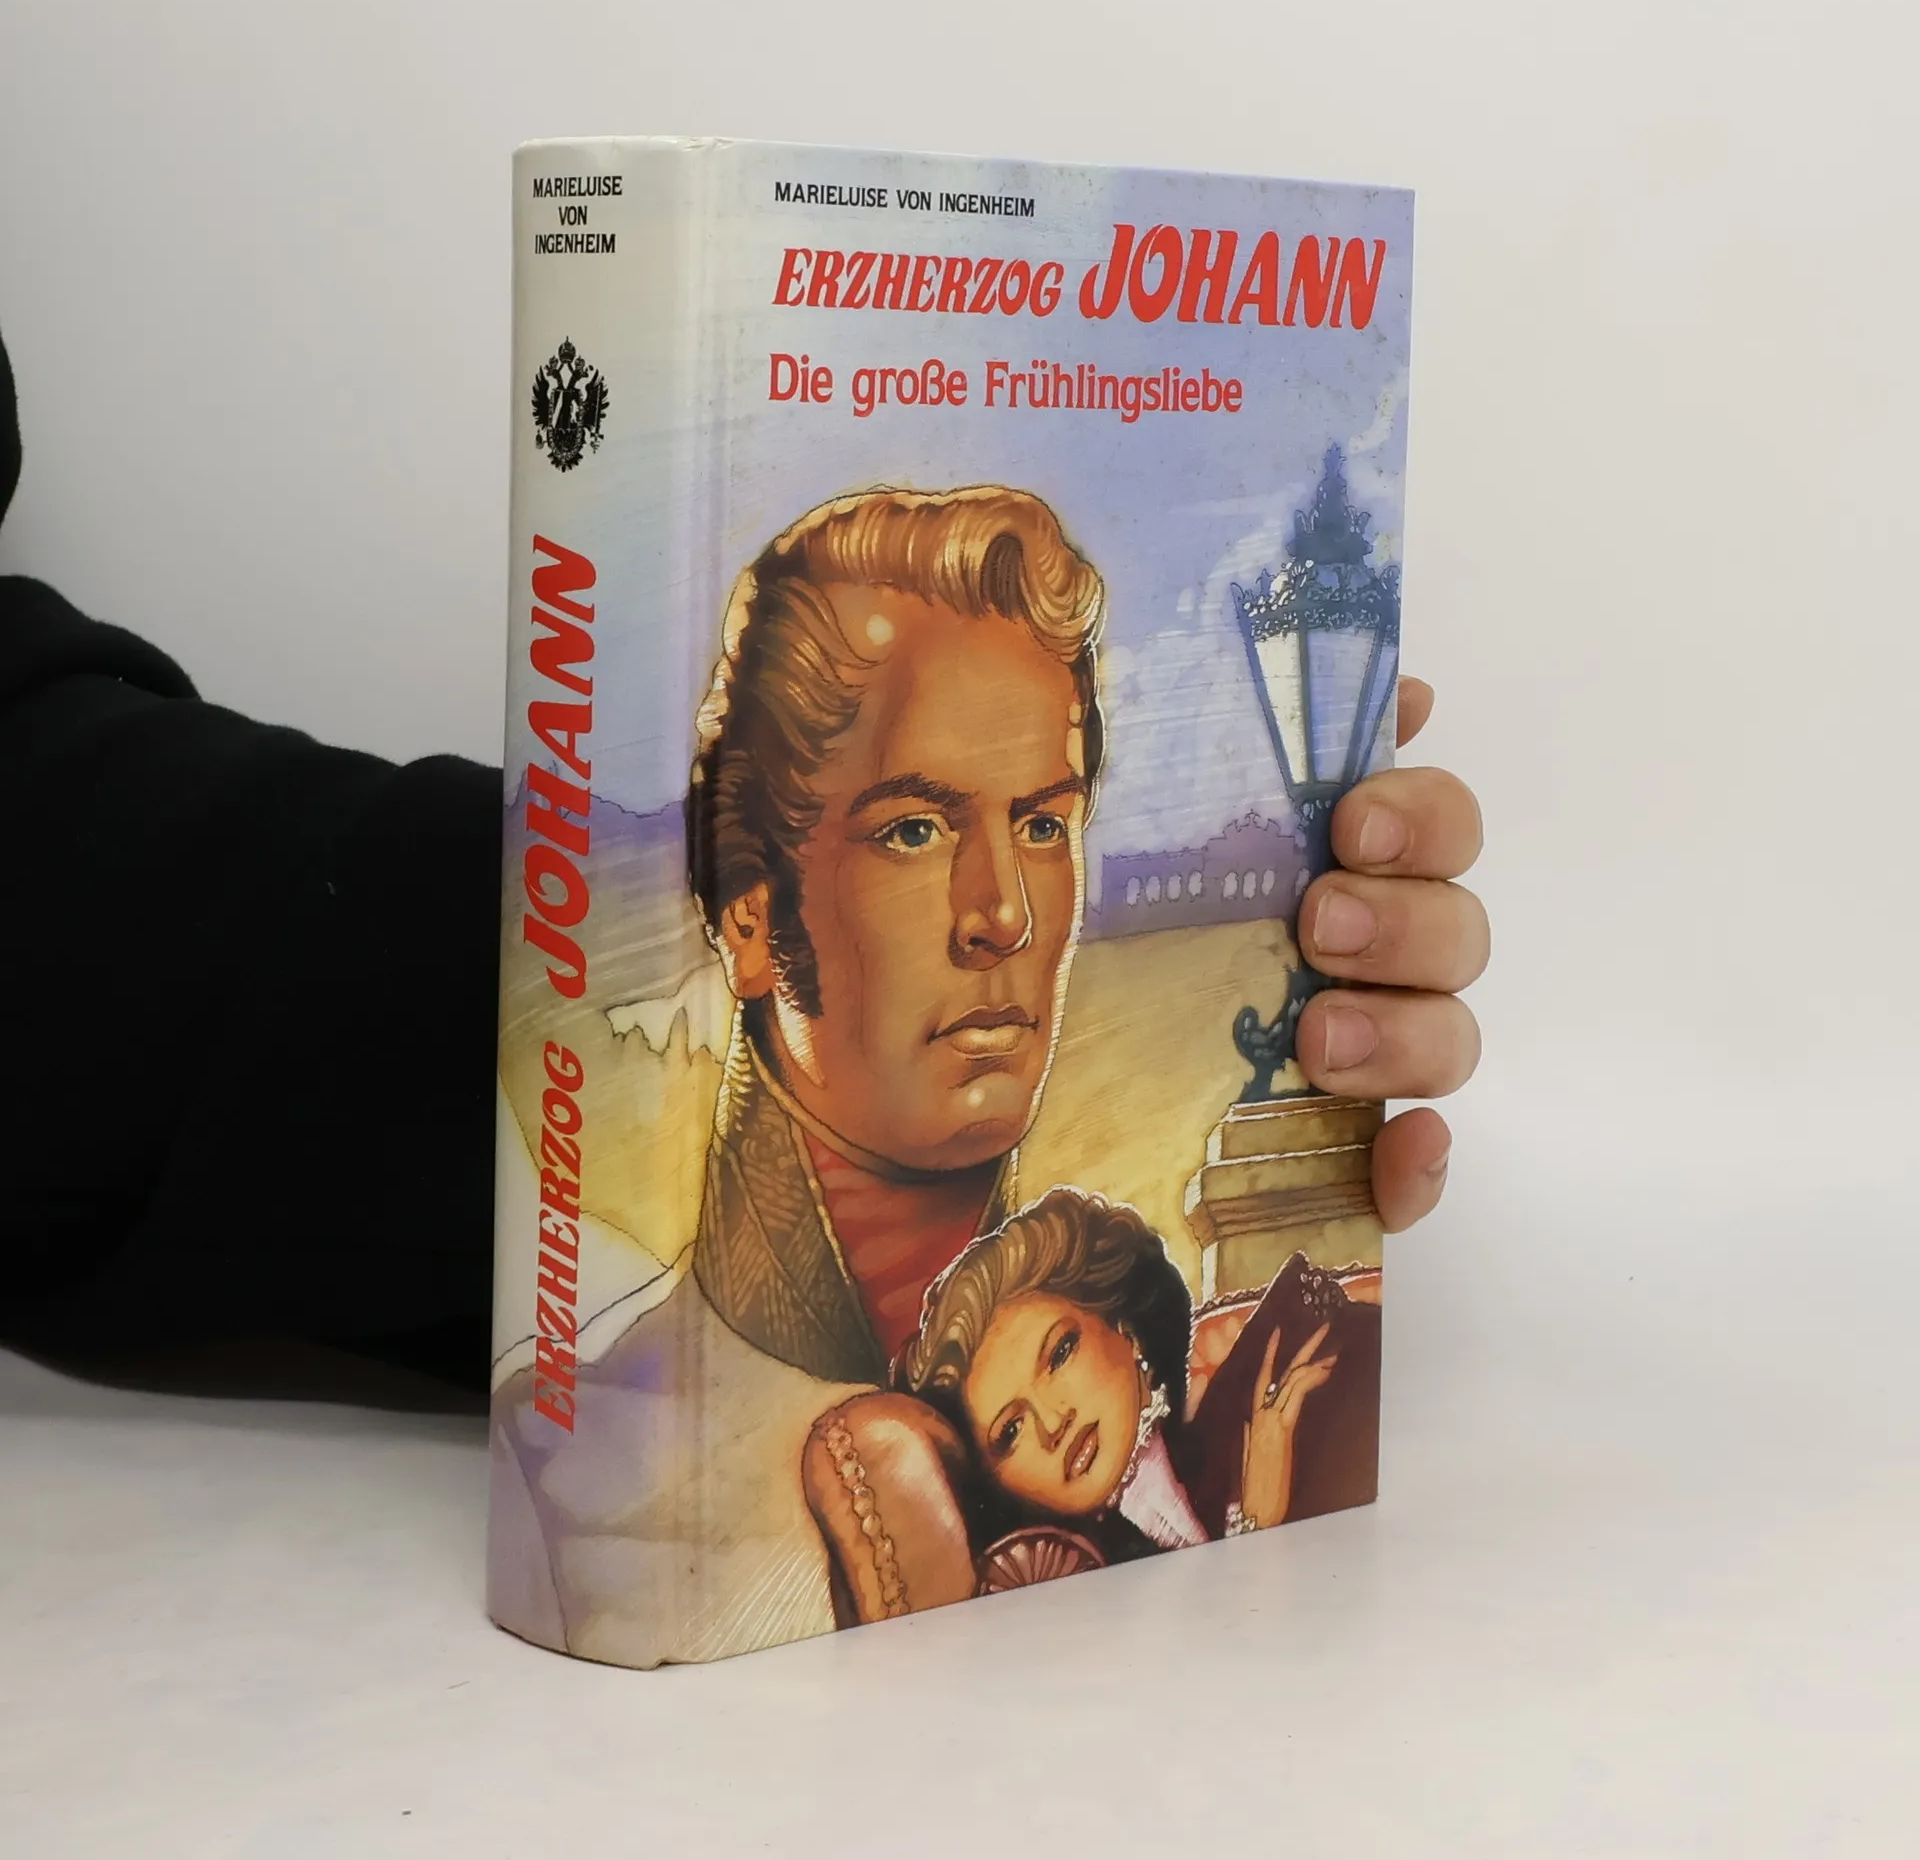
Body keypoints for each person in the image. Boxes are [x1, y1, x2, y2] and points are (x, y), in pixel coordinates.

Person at [0, 325, 1488, 1656]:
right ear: (756, 920)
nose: (1005, 914)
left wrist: (1303, 940)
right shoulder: (616, 1488)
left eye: (1043, 821)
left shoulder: (1156, 1323)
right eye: (915, 831)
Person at [803, 1187, 1379, 1624]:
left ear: (1123, 1328)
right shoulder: (1062, 1586)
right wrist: (1258, 1524)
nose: (1054, 1425)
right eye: (1010, 1432)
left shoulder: (1278, 1370)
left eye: (1059, 1353)